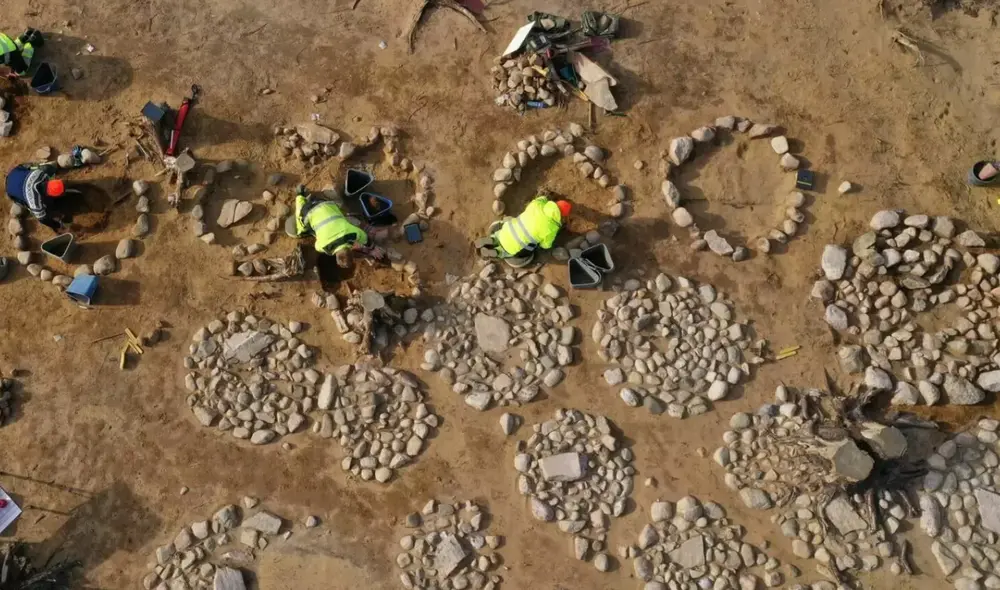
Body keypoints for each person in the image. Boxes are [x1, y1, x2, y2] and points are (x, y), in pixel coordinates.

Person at [476, 195, 571, 266]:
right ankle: (499, 252)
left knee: (508, 227)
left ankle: (494, 238)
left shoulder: (537, 205)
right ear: (561, 216)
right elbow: (546, 245)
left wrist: (545, 198)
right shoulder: (553, 227)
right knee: (525, 251)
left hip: (507, 231)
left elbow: (540, 198)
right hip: (515, 247)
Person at [293, 186, 374, 268]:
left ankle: (309, 196)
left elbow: (365, 238)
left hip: (327, 204)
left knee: (343, 217)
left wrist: (372, 247)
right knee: (300, 230)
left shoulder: (352, 233)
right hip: (311, 210)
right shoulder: (323, 247)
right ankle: (299, 195)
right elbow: (317, 246)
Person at [4, 162, 66, 230]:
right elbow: (42, 219)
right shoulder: (34, 201)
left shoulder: (42, 174)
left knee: (46, 168)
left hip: (15, 172)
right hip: (9, 189)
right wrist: (58, 225)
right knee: (44, 206)